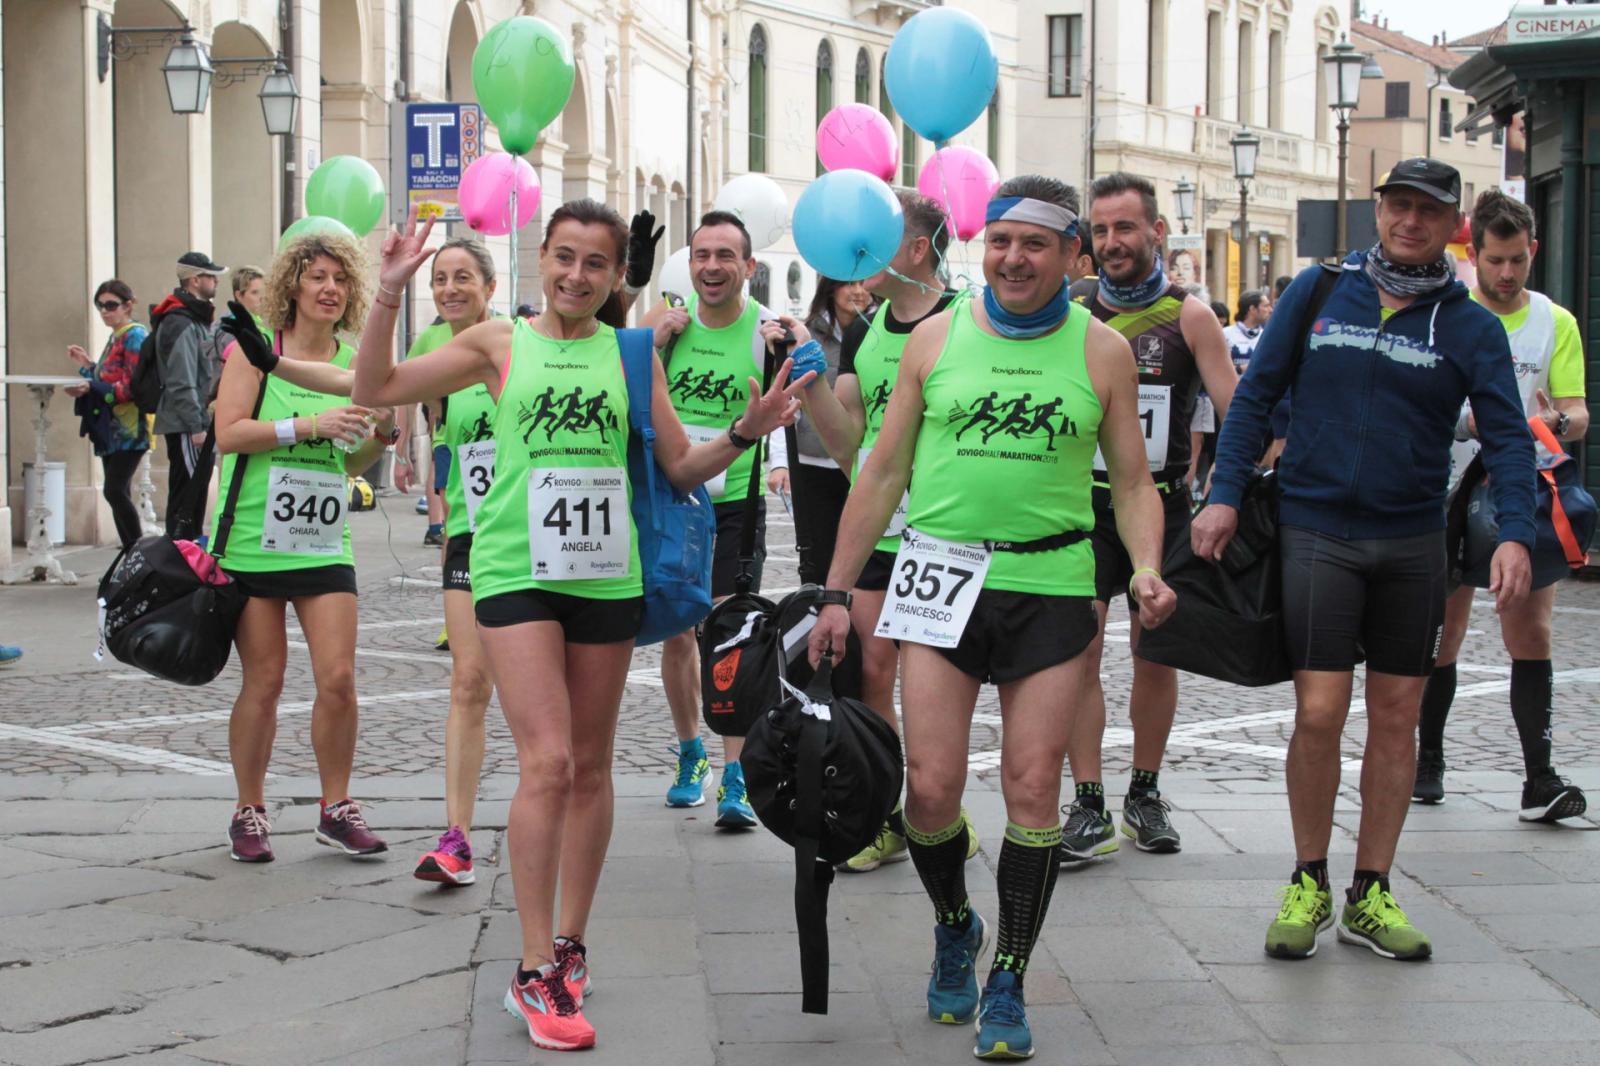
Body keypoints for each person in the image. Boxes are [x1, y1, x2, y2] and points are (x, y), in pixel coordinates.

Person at [343, 199, 807, 1051]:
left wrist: (746, 431)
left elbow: (680, 467)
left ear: (616, 273)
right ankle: (531, 968)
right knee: (549, 762)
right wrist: (388, 293)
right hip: (515, 572)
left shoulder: (630, 354)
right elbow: (374, 391)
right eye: (563, 257)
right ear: (543, 259)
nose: (576, 275)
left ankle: (570, 944)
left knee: (590, 767)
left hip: (606, 577)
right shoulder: (499, 344)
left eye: (596, 263)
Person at [807, 176, 1175, 1061]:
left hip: (1052, 582)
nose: (1013, 258)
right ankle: (955, 923)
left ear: (1072, 255)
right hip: (940, 577)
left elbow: (1132, 482)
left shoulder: (1103, 352)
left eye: (1035, 243)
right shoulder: (936, 338)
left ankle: (1007, 975)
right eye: (1001, 240)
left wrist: (1147, 568)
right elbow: (882, 470)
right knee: (930, 789)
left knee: (1030, 787)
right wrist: (836, 592)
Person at [1193, 158, 1535, 962]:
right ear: (1378, 211)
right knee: (1318, 711)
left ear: (1452, 226)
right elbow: (1254, 397)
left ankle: (1371, 890)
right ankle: (1308, 880)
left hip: (1414, 541)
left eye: (1428, 211)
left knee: (1397, 715)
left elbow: (1509, 437)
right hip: (1317, 531)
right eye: (1398, 205)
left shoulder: (1470, 327)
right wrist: (1224, 493)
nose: (1410, 221)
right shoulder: (1320, 292)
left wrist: (1517, 532)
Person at [787, 189, 978, 873]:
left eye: (874, 238)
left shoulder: (967, 318)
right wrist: (811, 384)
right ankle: (889, 814)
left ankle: (940, 814)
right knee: (870, 671)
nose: (854, 251)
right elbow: (851, 448)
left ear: (918, 248)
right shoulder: (865, 329)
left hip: (947, 534)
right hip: (883, 531)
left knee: (939, 689)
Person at [1060, 172, 1236, 862]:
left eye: (1125, 228)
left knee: (1154, 651)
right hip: (1082, 503)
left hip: (1160, 504)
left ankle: (1145, 791)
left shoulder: (1190, 316)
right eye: (1101, 229)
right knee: (1080, 650)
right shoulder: (1072, 307)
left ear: (1156, 232)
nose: (1112, 242)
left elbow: (1237, 408)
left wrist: (1228, 488)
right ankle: (1088, 802)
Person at [209, 231, 397, 867]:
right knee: (263, 682)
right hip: (252, 541)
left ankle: (336, 808)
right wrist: (309, 424)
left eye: (340, 279)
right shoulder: (259, 350)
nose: (329, 289)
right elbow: (229, 433)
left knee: (339, 679)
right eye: (317, 276)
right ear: (292, 284)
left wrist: (379, 433)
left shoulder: (355, 360)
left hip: (322, 539)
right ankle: (249, 808)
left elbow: (355, 457)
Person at [1414, 189, 1589, 821]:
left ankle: (1539, 778)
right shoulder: (1446, 317)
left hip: (1521, 488)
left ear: (1533, 251)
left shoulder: (1554, 321)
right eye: (1495, 261)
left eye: (1518, 260)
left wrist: (1557, 423)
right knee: (1444, 629)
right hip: (1447, 487)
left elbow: (1576, 411)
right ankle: (1428, 761)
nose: (1508, 273)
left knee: (1530, 627)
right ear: (1473, 255)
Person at [640, 210, 791, 827]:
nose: (712, 266)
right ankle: (690, 754)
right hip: (674, 500)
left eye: (726, 256)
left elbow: (788, 410)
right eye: (702, 254)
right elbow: (624, 385)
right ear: (689, 263)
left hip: (734, 503)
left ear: (748, 267)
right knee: (677, 631)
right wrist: (650, 341)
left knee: (729, 633)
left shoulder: (767, 331)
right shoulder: (669, 328)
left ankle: (736, 774)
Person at [766, 276, 870, 585]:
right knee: (817, 558)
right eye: (849, 284)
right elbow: (786, 400)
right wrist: (780, 462)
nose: (859, 292)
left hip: (863, 464)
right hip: (812, 466)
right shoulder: (806, 335)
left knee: (866, 561)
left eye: (864, 283)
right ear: (831, 288)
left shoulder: (878, 332)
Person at [65, 280, 150, 548]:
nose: (104, 311)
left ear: (128, 305)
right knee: (117, 491)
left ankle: (136, 551)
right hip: (111, 426)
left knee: (113, 490)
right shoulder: (117, 336)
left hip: (130, 426)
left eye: (111, 305)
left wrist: (92, 386)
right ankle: (131, 552)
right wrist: (88, 366)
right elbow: (107, 378)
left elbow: (131, 386)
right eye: (100, 306)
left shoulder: (134, 336)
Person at [151, 251, 226, 537]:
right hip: (186, 423)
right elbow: (181, 381)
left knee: (193, 492)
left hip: (192, 420)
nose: (216, 281)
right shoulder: (180, 321)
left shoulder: (192, 317)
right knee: (187, 496)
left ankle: (186, 550)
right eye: (211, 276)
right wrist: (196, 426)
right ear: (195, 280)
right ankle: (179, 552)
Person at [1224, 289, 1273, 375]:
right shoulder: (1225, 334)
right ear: (1252, 309)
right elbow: (1217, 368)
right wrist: (1240, 369)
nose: (1271, 310)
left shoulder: (1268, 336)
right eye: (1266, 306)